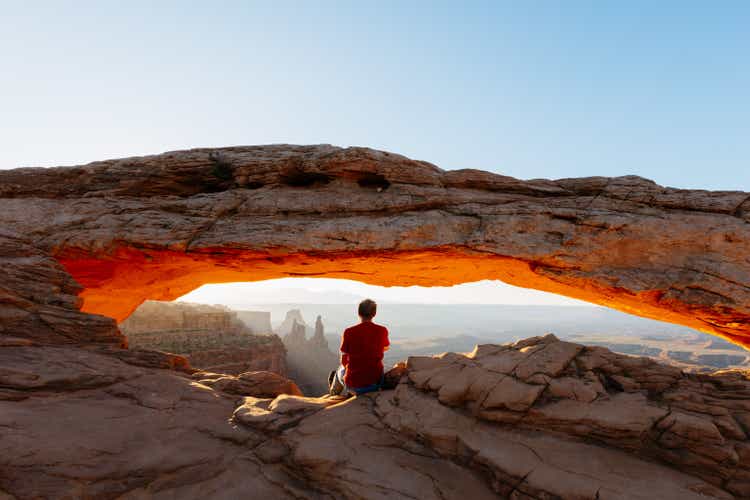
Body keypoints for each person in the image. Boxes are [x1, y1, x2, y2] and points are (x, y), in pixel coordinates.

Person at [329, 299, 389, 396]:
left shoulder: (349, 332)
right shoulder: (382, 330)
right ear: (374, 314)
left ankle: (333, 396)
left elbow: (343, 361)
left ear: (359, 313)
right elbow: (386, 347)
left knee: (339, 371)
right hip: (375, 384)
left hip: (354, 386)